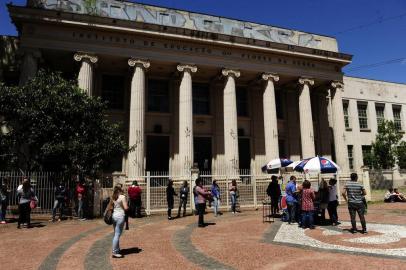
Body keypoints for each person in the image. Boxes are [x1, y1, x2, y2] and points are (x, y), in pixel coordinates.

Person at [110, 185, 128, 258]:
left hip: (114, 216)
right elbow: (126, 207)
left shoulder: (113, 197)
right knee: (117, 234)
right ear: (120, 190)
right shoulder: (122, 197)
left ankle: (117, 249)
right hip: (120, 216)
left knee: (116, 233)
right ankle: (114, 251)